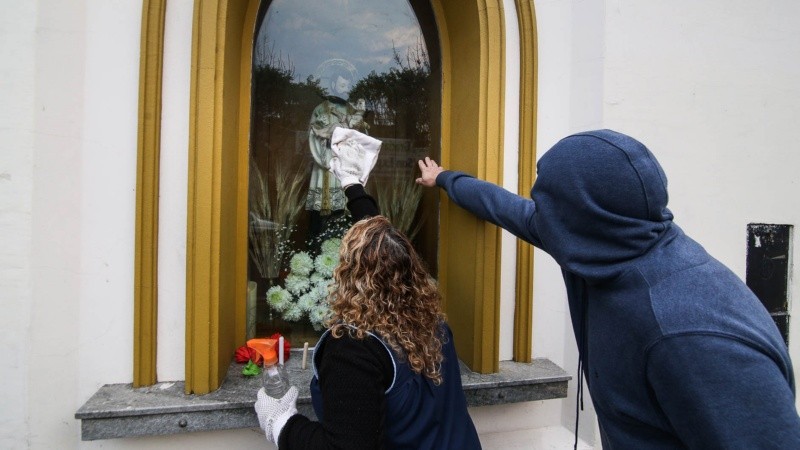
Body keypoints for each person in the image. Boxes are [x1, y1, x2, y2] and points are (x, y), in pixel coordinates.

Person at [415, 129, 800, 449]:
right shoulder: (600, 237)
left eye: (546, 201)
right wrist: (447, 179)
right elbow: (506, 208)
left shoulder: (689, 334)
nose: (537, 208)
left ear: (579, 214)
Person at [255, 128, 481, 449]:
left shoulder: (354, 349)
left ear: (349, 275)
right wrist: (352, 186)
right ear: (411, 268)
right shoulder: (431, 320)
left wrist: (281, 423)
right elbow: (383, 251)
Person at [305, 63, 370, 240]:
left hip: (348, 164)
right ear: (333, 85)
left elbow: (362, 138)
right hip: (327, 163)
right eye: (342, 85)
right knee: (322, 216)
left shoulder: (352, 109)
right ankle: (318, 243)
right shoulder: (321, 109)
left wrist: (357, 126)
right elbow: (313, 135)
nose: (345, 89)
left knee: (349, 210)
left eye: (348, 86)